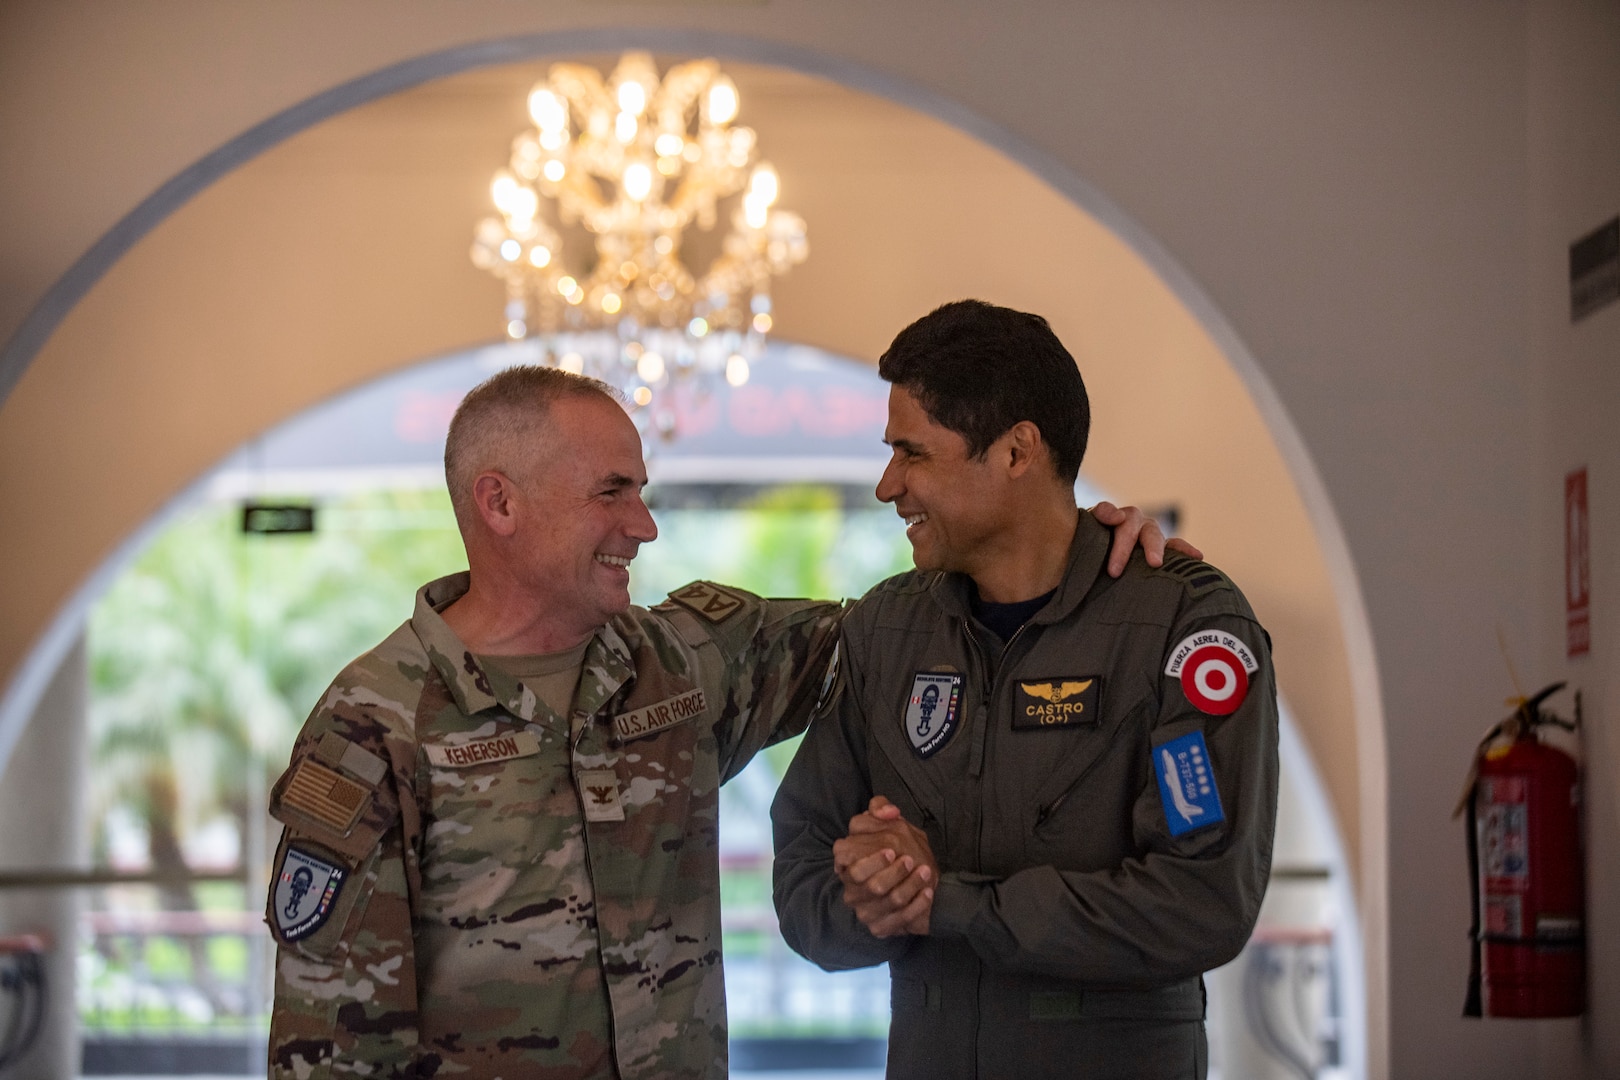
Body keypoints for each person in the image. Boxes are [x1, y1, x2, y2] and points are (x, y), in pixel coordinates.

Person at [264, 363, 1180, 1079]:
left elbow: (904, 639)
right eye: (611, 493)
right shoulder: (373, 728)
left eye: (642, 490)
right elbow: (335, 1049)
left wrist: (1063, 541)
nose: (645, 525)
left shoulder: (683, 662)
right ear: (499, 503)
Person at [772, 301, 1279, 1079]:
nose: (887, 486)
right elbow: (804, 864)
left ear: (1016, 451)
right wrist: (869, 899)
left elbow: (1201, 901)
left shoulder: (1184, 626)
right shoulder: (884, 631)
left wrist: (946, 901)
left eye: (913, 454)